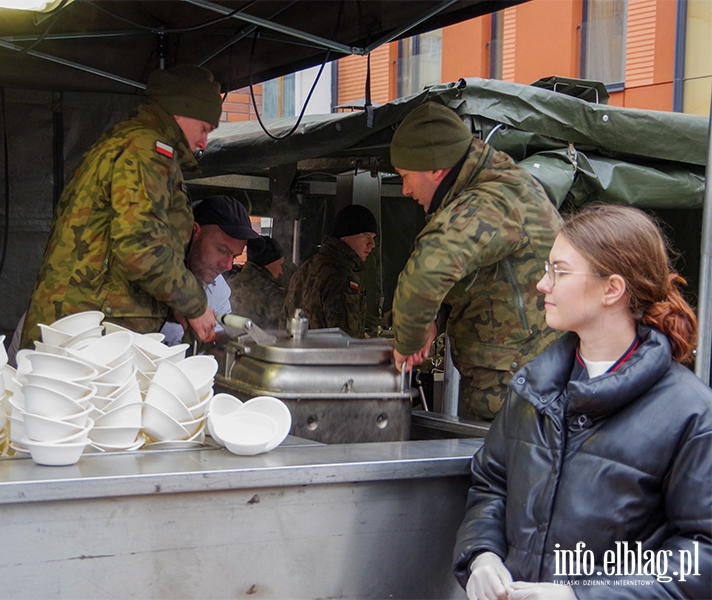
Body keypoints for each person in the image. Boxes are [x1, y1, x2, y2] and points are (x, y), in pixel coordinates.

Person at [453, 205, 711, 600]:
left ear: (612, 289)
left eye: (560, 270)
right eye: (547, 268)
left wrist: (580, 596)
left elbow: (701, 554)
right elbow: (491, 485)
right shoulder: (531, 388)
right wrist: (481, 555)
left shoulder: (690, 411)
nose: (542, 284)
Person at [22, 65, 223, 349]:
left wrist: (173, 303)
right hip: (90, 332)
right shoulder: (145, 150)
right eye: (204, 128)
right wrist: (195, 303)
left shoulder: (128, 142)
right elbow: (141, 248)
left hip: (79, 323)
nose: (203, 142)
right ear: (180, 111)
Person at [390, 102, 562, 421]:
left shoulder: (494, 198)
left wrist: (408, 341)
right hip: (521, 385)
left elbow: (427, 272)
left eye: (405, 176)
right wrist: (432, 323)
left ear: (434, 169)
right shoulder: (498, 187)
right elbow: (469, 279)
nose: (405, 190)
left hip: (519, 394)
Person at [160, 195, 259, 346]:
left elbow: (213, 346)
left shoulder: (219, 290)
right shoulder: (154, 271)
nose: (227, 266)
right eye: (221, 250)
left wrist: (218, 342)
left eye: (234, 256)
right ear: (194, 231)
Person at [282, 204, 377, 338]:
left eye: (373, 237)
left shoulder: (306, 267)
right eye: (366, 235)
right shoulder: (341, 276)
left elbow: (284, 322)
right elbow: (347, 339)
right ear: (345, 235)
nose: (371, 244)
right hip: (327, 357)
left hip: (296, 356)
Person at [228, 235, 286, 331]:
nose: (281, 271)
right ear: (268, 265)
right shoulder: (270, 293)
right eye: (280, 265)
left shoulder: (230, 283)